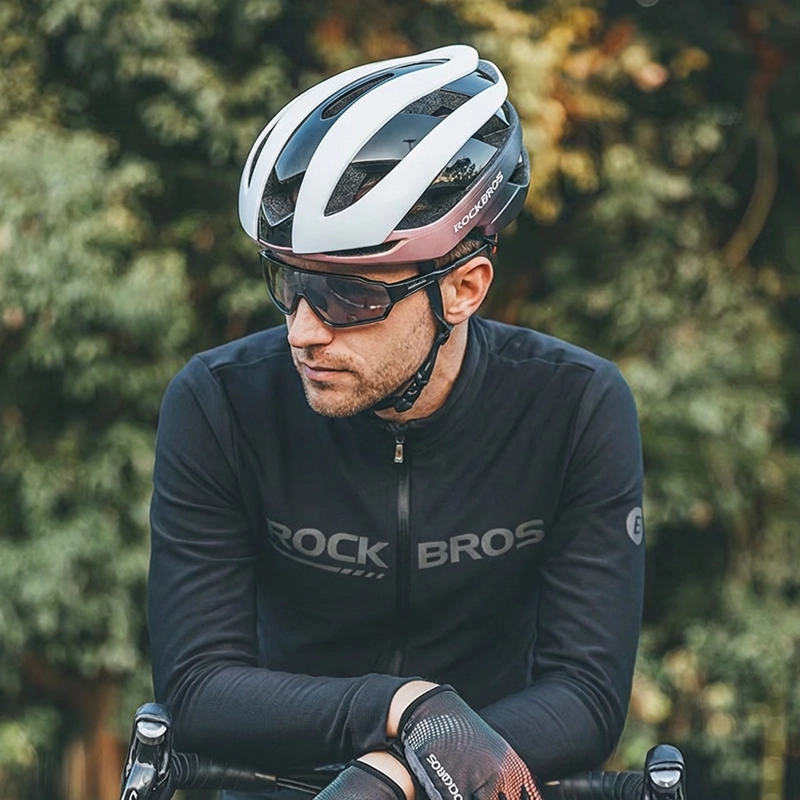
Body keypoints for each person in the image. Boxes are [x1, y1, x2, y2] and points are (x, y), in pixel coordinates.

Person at [147, 44, 646, 800]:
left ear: (464, 288)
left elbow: (586, 695)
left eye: (349, 297)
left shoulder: (575, 408)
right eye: (290, 282)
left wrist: (398, 774)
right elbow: (196, 685)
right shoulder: (220, 403)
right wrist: (405, 709)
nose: (303, 331)